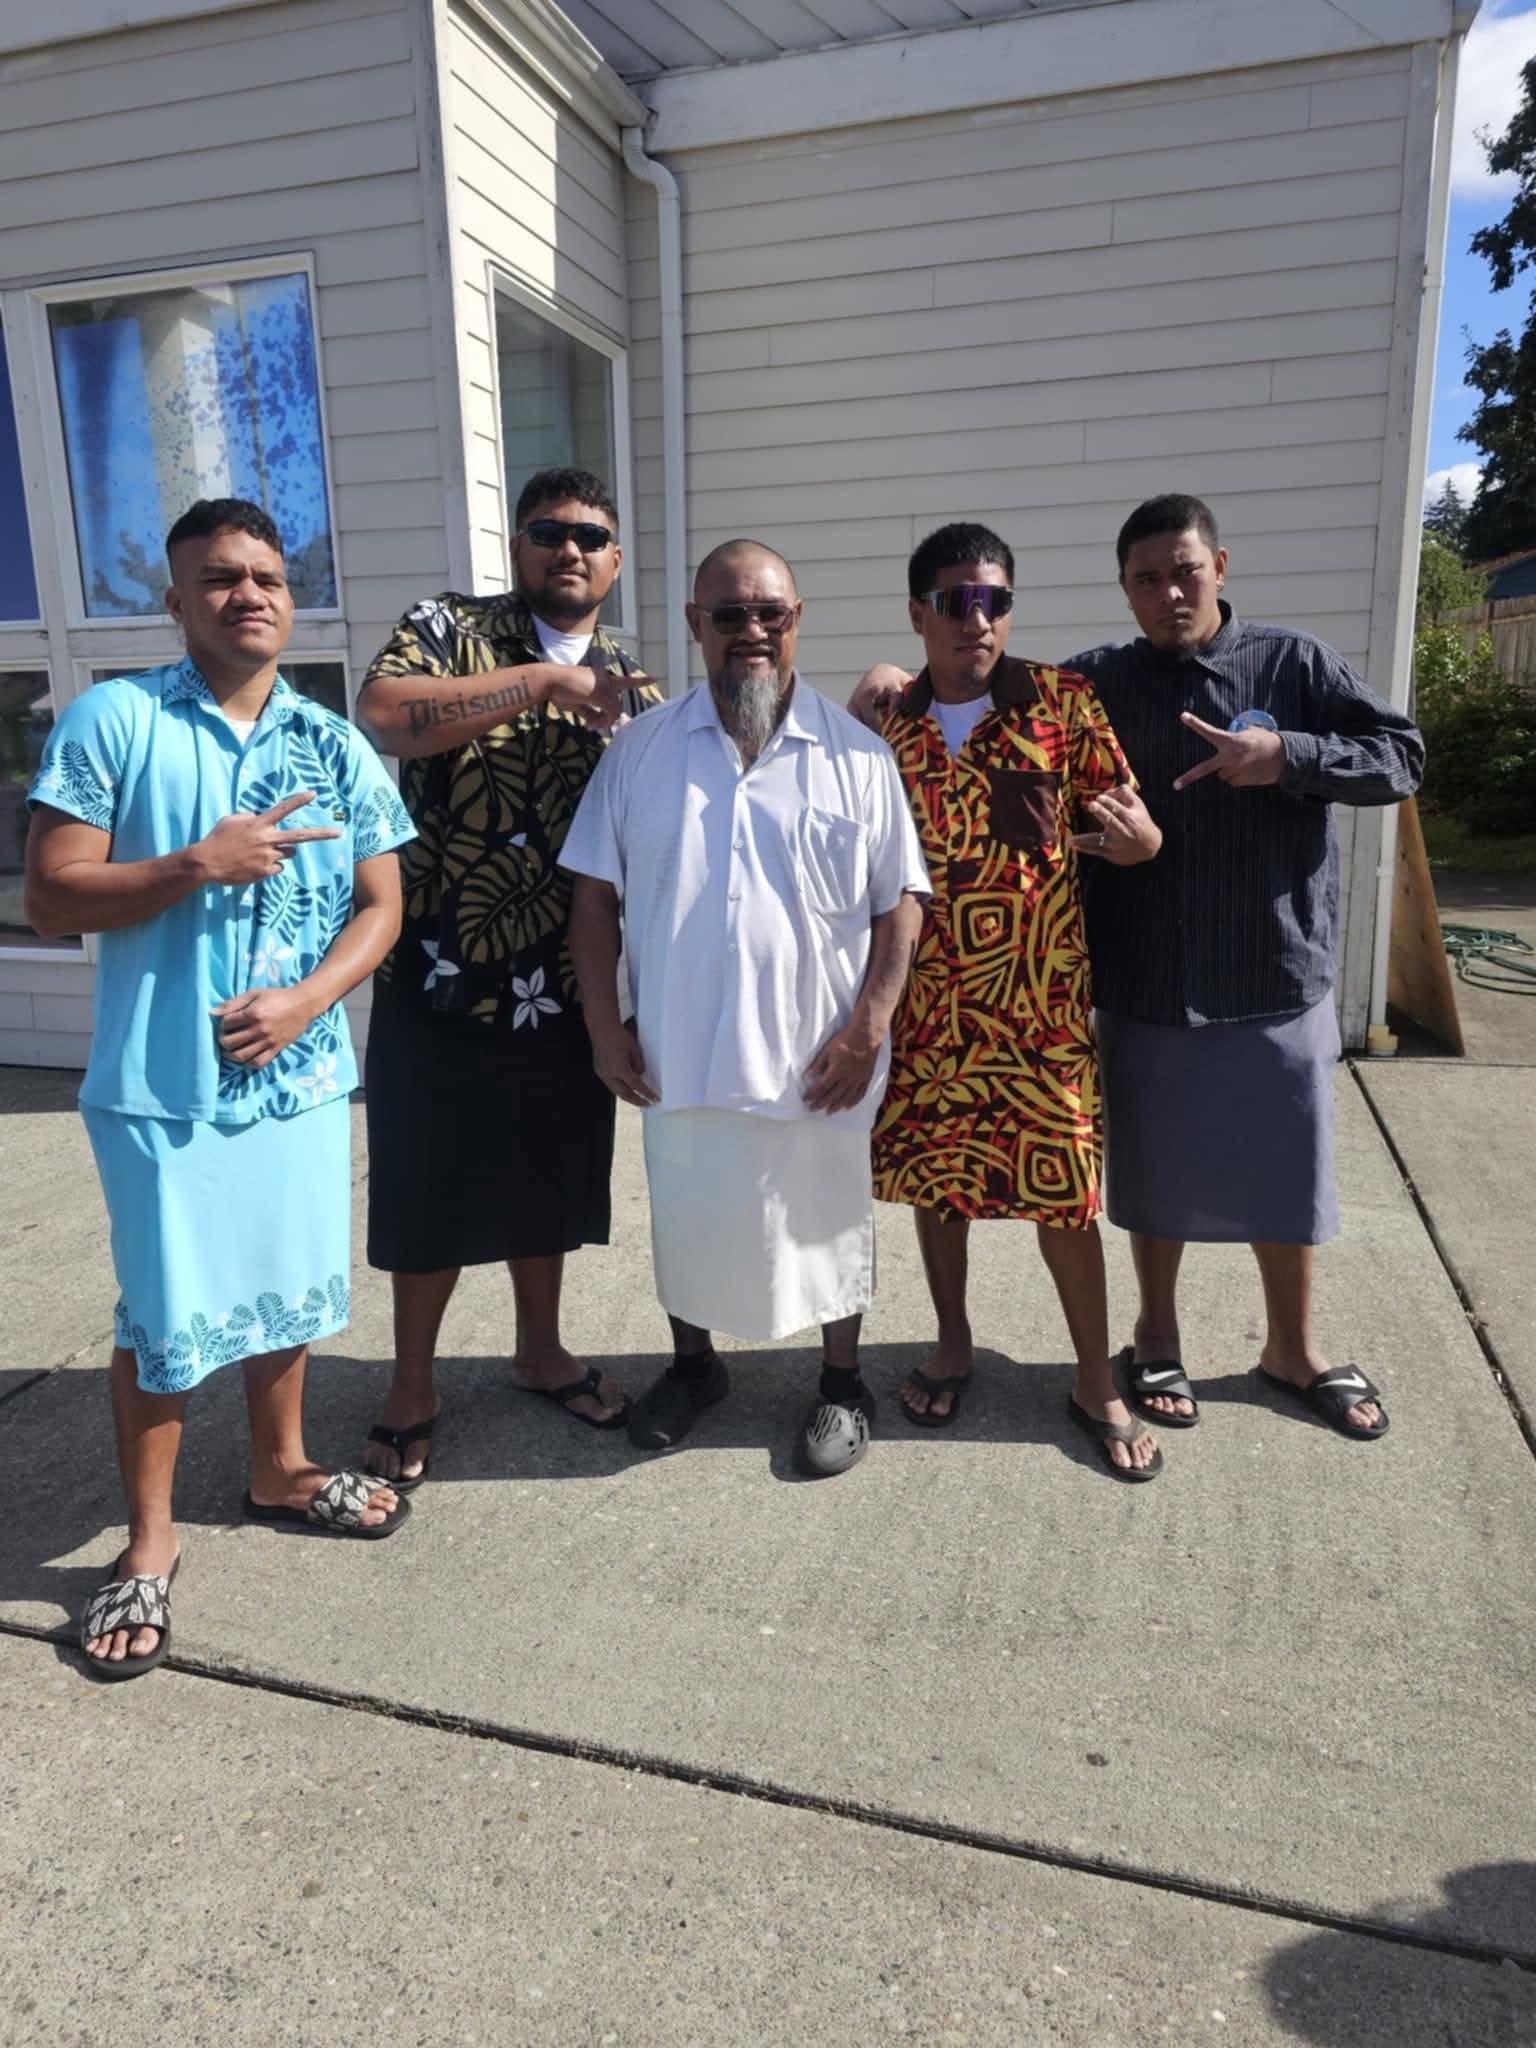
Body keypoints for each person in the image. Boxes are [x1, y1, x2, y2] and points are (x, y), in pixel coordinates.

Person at [856, 494, 1424, 1443]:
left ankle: (1283, 1347)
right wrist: (884, 679)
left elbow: (1399, 756)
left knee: (1274, 1170)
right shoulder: (1053, 690)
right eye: (1147, 579)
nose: (1169, 594)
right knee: (1117, 1179)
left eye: (1185, 572)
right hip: (1090, 984)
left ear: (1220, 567)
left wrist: (1286, 754)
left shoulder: (1271, 668)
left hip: (1240, 967)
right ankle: (1138, 1342)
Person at [25, 498, 416, 1681]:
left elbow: (382, 905)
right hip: (164, 1089)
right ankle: (149, 1539)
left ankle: (279, 1468)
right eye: (220, 577)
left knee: (285, 1291)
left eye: (267, 576)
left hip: (300, 1083)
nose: (249, 593)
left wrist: (306, 1003)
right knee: (164, 1314)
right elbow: (51, 893)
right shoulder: (117, 721)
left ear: (291, 598)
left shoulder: (332, 742)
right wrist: (199, 860)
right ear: (177, 599)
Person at [561, 540, 930, 1477]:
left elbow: (901, 904)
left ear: (797, 620)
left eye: (771, 613)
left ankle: (842, 1384)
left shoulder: (858, 757)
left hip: (821, 1054)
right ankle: (695, 1369)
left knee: (826, 1219)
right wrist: (604, 1026)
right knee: (690, 1216)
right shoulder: (640, 753)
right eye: (730, 615)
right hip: (678, 1047)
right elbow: (593, 899)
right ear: (697, 624)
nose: (752, 631)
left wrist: (868, 1028)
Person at [356, 468, 661, 1486]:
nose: (569, 548)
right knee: (426, 1187)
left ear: (615, 562)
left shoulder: (635, 685)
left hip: (568, 984)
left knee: (549, 1178)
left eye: (591, 536)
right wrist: (538, 682)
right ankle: (411, 1384)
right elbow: (384, 714)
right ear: (519, 544)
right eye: (548, 530)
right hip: (438, 969)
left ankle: (542, 1352)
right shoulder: (450, 627)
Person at [870, 523, 1165, 1479]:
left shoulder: (1062, 704)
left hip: (1040, 1011)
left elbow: (1130, 823)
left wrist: (1142, 844)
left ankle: (1094, 1378)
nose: (979, 619)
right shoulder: (889, 728)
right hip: (930, 1011)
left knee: (1066, 1194)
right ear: (918, 613)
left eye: (995, 600)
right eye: (957, 601)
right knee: (937, 1188)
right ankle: (952, 1343)